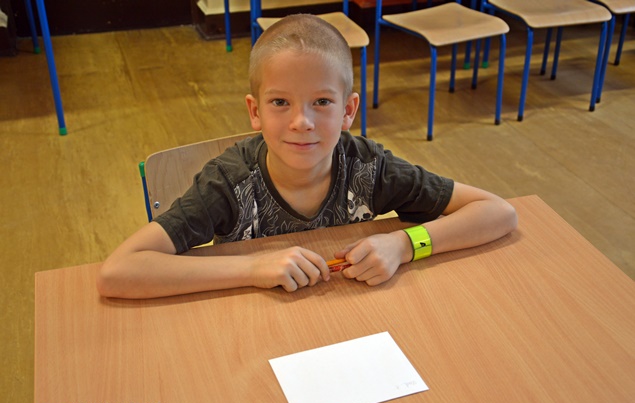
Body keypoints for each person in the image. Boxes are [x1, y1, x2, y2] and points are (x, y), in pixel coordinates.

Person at [97, 14, 517, 299]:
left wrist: (405, 244)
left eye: (321, 102)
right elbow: (119, 272)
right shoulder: (228, 182)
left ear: (348, 111)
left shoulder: (369, 167)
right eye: (280, 102)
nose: (302, 122)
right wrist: (251, 268)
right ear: (255, 112)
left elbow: (498, 212)